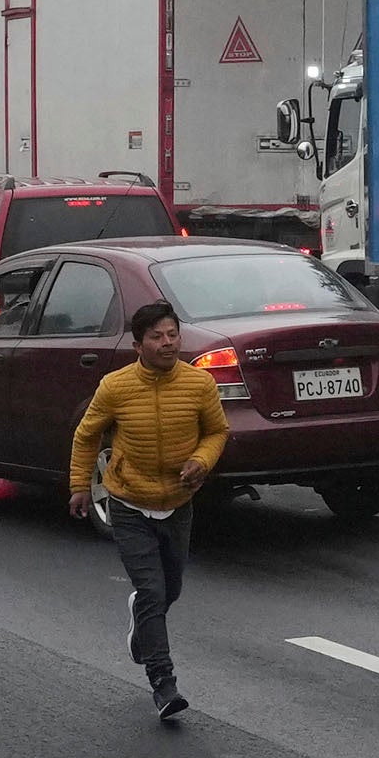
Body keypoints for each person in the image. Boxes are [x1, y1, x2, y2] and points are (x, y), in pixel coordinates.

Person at [67, 294, 231, 726]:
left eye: (173, 335)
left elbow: (217, 431)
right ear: (138, 345)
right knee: (153, 592)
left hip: (177, 504)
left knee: (168, 591)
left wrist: (202, 460)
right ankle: (164, 685)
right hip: (129, 503)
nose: (168, 343)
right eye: (157, 337)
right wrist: (80, 486)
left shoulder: (199, 384)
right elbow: (86, 437)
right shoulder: (115, 387)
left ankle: (142, 624)